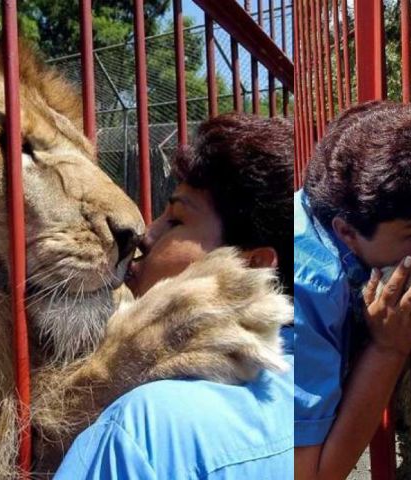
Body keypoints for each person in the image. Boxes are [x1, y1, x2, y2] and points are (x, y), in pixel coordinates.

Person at [55, 113, 294, 479]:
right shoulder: (311, 395)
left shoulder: (142, 429)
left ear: (253, 265)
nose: (144, 234)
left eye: (176, 220)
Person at [294, 101, 411, 479]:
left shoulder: (310, 219)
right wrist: (389, 347)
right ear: (347, 232)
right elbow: (312, 474)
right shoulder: (308, 292)